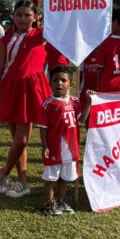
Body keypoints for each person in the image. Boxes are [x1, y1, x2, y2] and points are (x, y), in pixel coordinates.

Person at [0, 0, 51, 199]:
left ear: (36, 18)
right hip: (10, 90)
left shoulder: (41, 35)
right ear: (13, 16)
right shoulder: (5, 39)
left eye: (28, 15)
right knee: (17, 139)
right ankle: (23, 183)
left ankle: (4, 172)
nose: (23, 19)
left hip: (31, 90)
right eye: (19, 14)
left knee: (22, 140)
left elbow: (60, 22)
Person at [36, 66, 89, 217]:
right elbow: (43, 128)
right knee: (51, 176)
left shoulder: (75, 101)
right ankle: (49, 203)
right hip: (54, 148)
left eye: (63, 80)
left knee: (65, 176)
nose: (59, 83)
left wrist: (89, 102)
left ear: (70, 84)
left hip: (71, 149)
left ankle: (60, 200)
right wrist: (45, 146)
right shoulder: (48, 104)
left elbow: (82, 119)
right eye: (55, 80)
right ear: (50, 83)